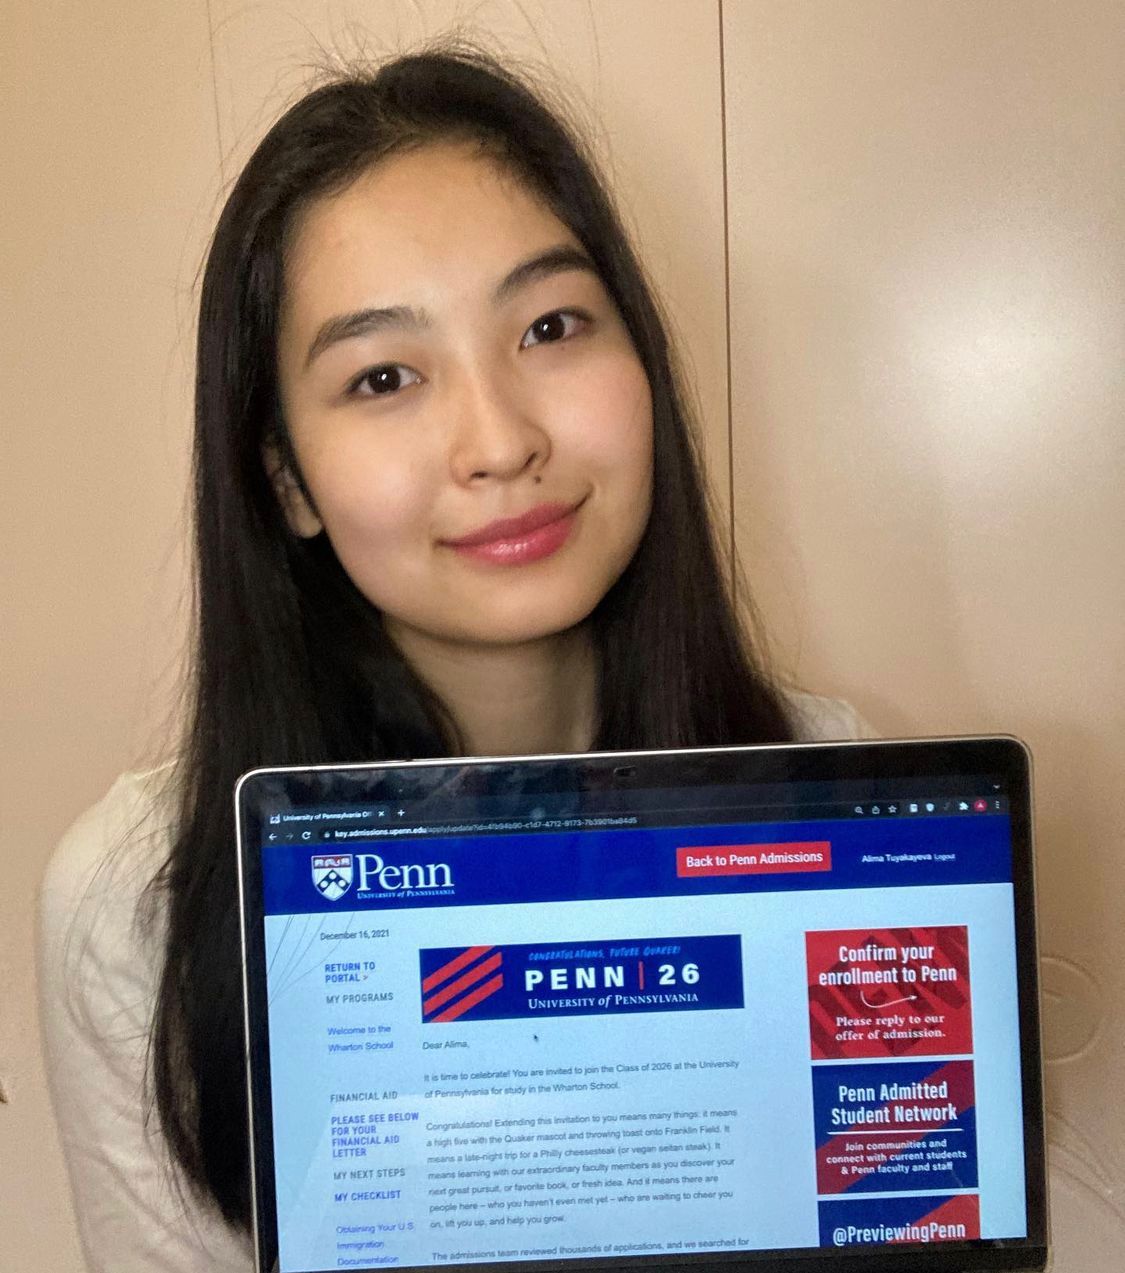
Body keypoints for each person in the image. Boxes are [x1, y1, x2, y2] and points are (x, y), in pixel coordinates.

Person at [38, 46, 871, 1273]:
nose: (499, 441)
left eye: (550, 325)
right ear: (286, 480)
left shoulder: (837, 787)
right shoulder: (136, 903)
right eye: (383, 376)